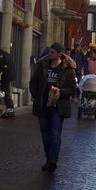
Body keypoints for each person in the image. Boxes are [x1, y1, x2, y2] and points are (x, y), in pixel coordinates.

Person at [29, 42, 78, 172]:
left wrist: (60, 92)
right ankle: (48, 159)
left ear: (59, 54)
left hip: (58, 106)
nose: (49, 54)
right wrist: (36, 95)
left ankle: (52, 160)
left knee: (55, 134)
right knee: (45, 134)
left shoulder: (68, 69)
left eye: (52, 52)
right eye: (49, 52)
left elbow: (72, 88)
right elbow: (33, 82)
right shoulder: (43, 66)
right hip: (43, 105)